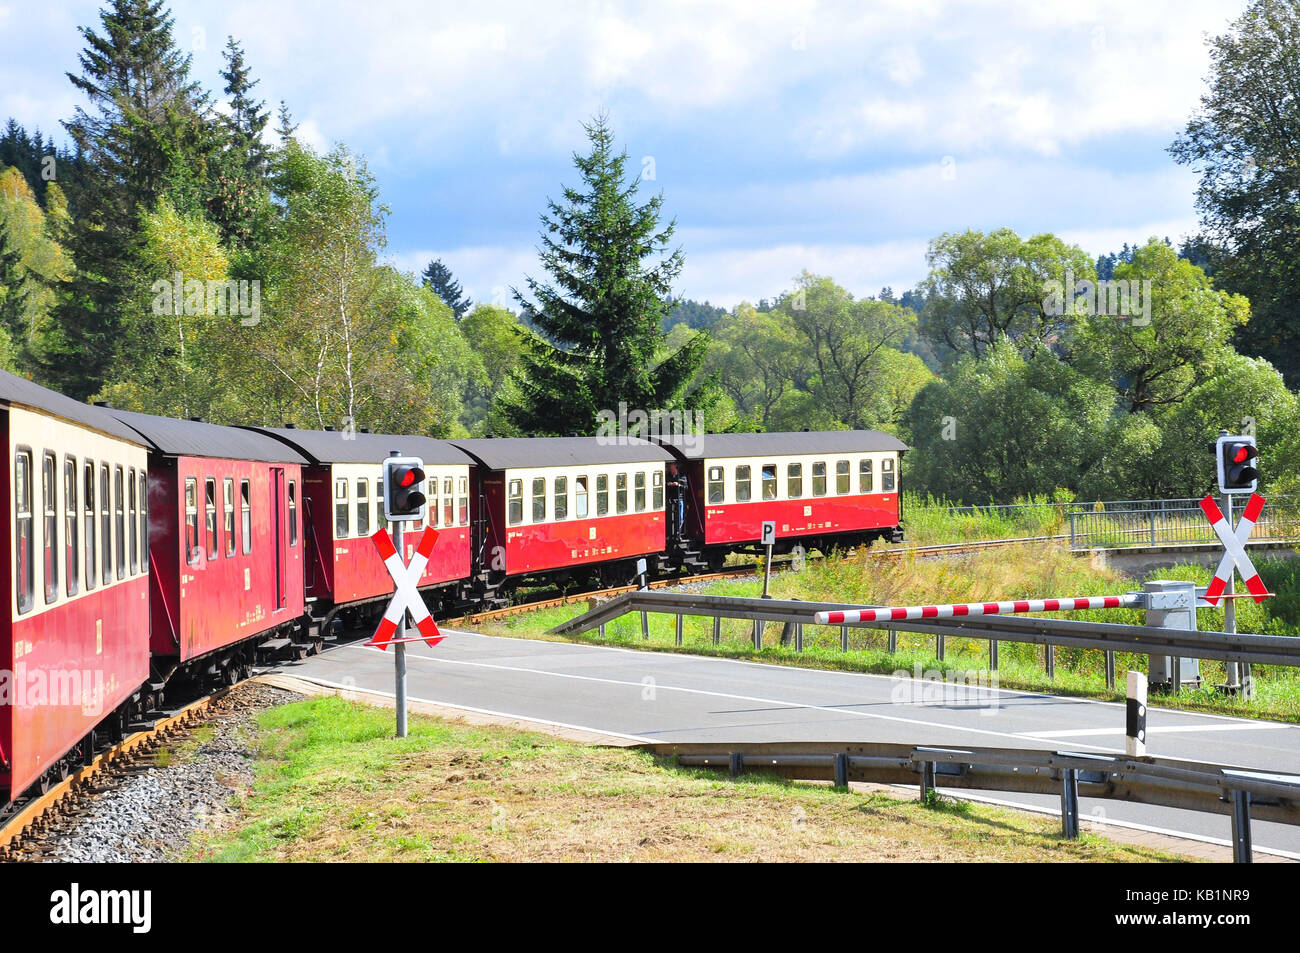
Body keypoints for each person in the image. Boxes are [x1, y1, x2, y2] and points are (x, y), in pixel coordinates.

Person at [667, 462, 688, 536]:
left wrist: (678, 485)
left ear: (676, 468)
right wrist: (668, 484)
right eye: (670, 468)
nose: (670, 469)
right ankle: (670, 532)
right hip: (671, 498)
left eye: (672, 468)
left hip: (680, 498)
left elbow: (686, 488)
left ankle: (678, 531)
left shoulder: (682, 477)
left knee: (680, 517)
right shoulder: (668, 476)